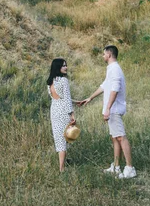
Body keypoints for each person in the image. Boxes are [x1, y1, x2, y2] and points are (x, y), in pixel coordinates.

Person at [79, 45, 136, 179]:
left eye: (104, 54)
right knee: (115, 138)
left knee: (121, 137)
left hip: (114, 109)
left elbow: (115, 89)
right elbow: (105, 86)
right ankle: (116, 167)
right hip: (112, 109)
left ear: (109, 55)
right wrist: (90, 98)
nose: (102, 56)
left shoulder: (115, 69)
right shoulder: (111, 69)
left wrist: (108, 109)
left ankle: (129, 168)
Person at [47, 58, 78, 172]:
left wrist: (75, 101)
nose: (66, 67)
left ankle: (63, 163)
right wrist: (72, 115)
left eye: (66, 65)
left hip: (54, 110)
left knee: (59, 137)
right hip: (63, 111)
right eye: (63, 65)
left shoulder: (51, 81)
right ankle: (62, 168)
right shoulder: (64, 81)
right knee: (66, 137)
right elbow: (66, 100)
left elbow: (60, 97)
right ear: (58, 67)